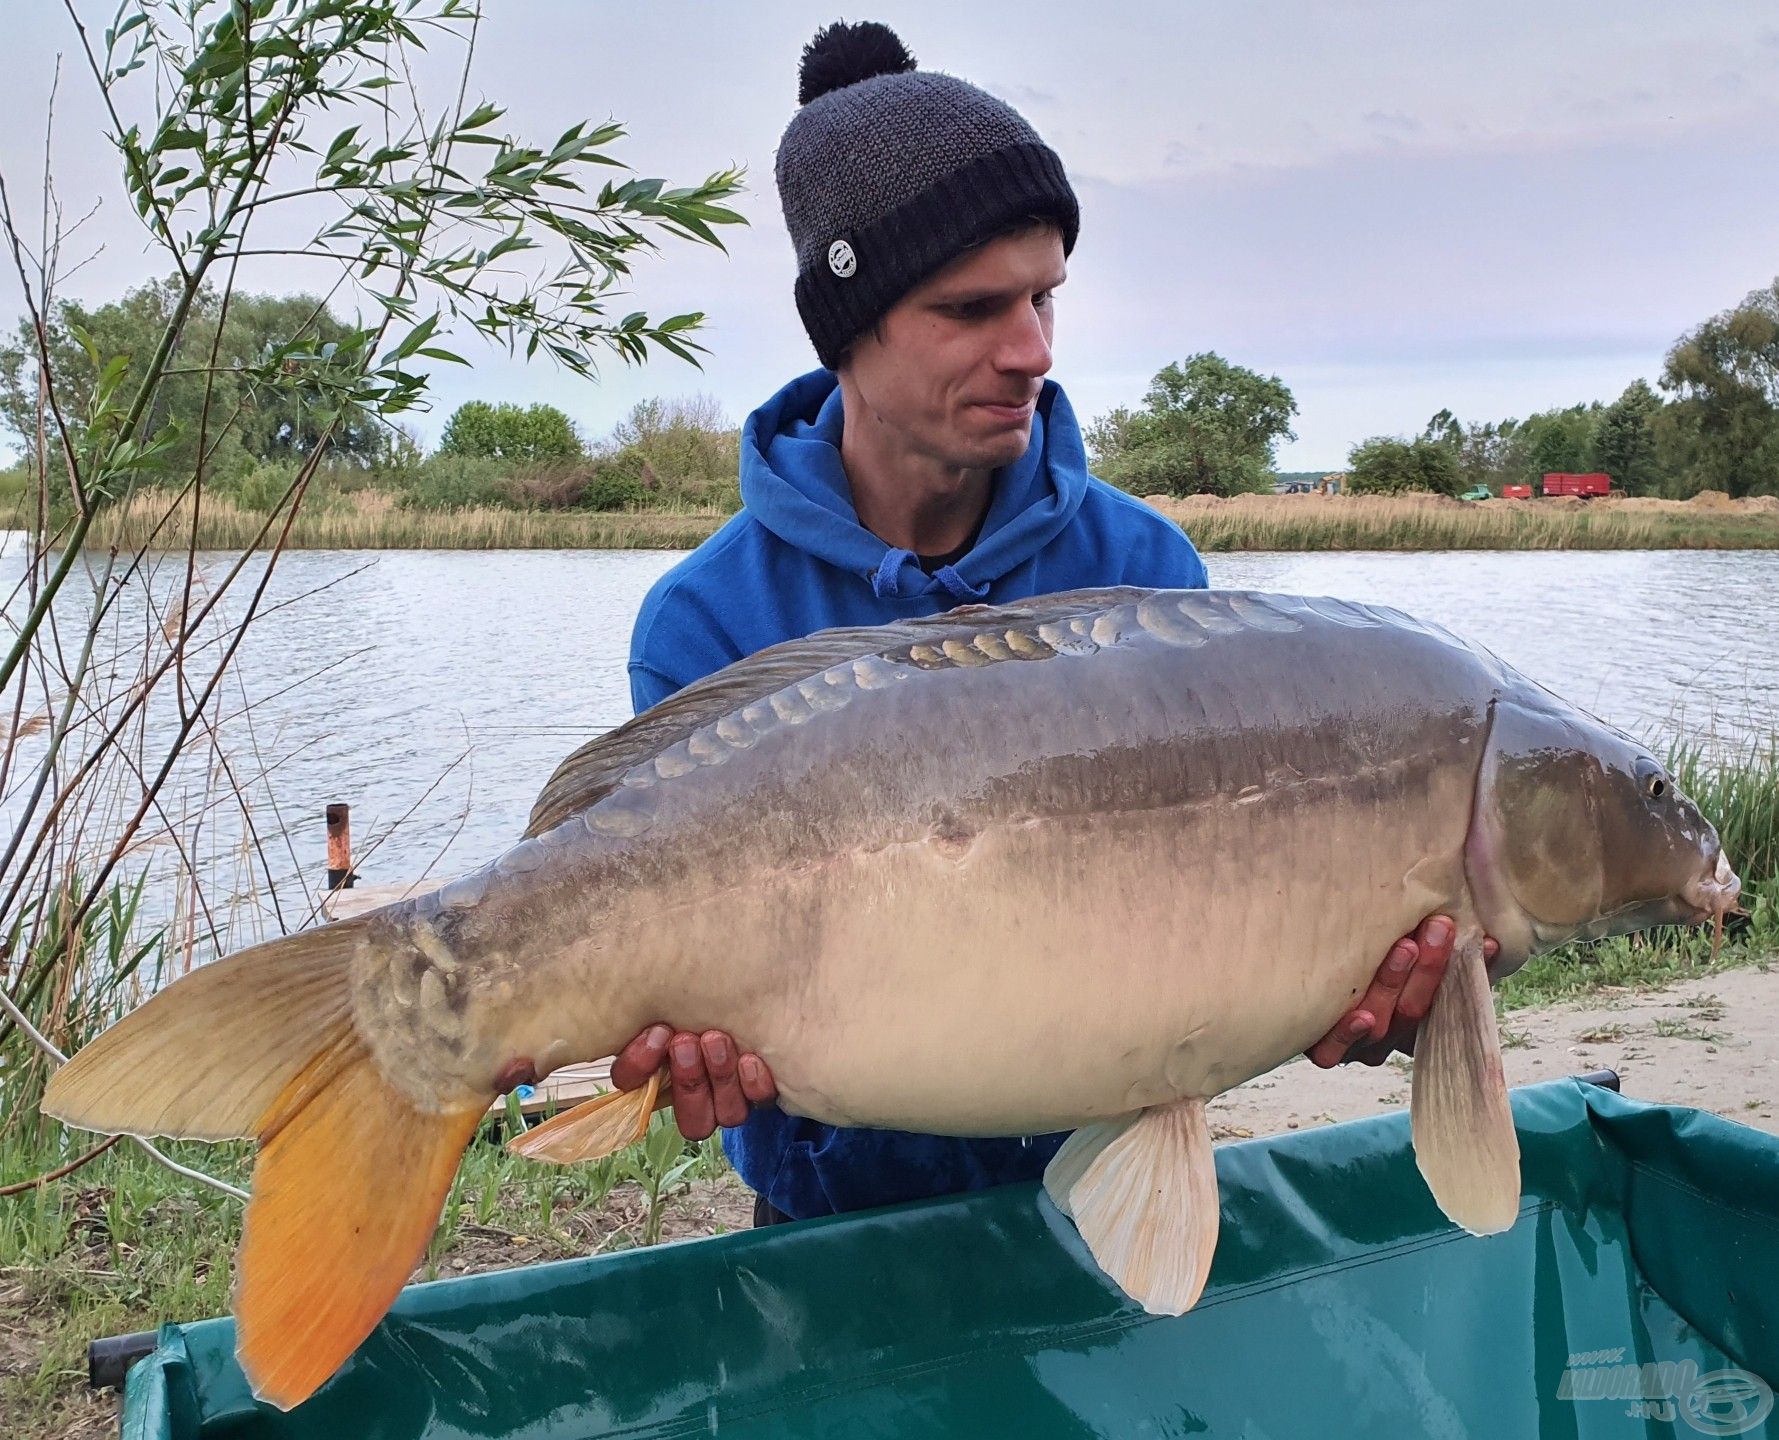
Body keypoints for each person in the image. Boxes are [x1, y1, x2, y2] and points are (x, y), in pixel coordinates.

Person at [615, 21, 1494, 1228]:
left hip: (1096, 1195)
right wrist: (680, 1057)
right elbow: (690, 1024)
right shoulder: (708, 621)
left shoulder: (1146, 573)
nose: (1030, 351)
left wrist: (1341, 994)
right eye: (974, 308)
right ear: (848, 328)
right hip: (832, 1230)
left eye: (1044, 296)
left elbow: (1216, 933)